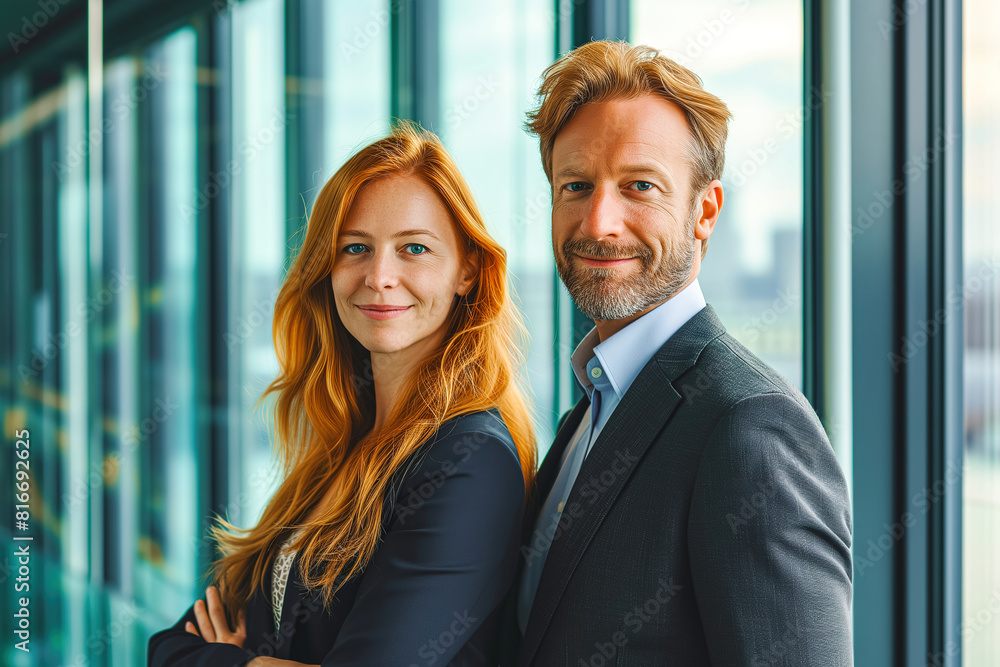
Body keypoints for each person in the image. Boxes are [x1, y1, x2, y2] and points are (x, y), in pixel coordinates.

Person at [502, 40, 853, 666]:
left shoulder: (751, 425)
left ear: (705, 212)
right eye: (575, 186)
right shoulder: (586, 415)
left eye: (639, 186)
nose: (598, 223)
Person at [148, 122, 536, 666]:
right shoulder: (343, 444)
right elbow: (167, 645)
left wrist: (229, 661)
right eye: (355, 248)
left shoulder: (470, 459)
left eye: (414, 249)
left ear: (467, 271)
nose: (379, 276)